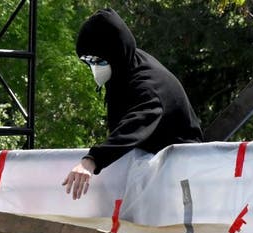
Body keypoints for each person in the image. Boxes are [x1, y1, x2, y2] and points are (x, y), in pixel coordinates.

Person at [63, 8, 203, 199]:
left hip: (179, 174)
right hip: (148, 166)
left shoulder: (149, 85)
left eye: (97, 60)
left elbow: (134, 125)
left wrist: (93, 159)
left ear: (114, 53)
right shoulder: (123, 68)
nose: (93, 66)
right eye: (88, 61)